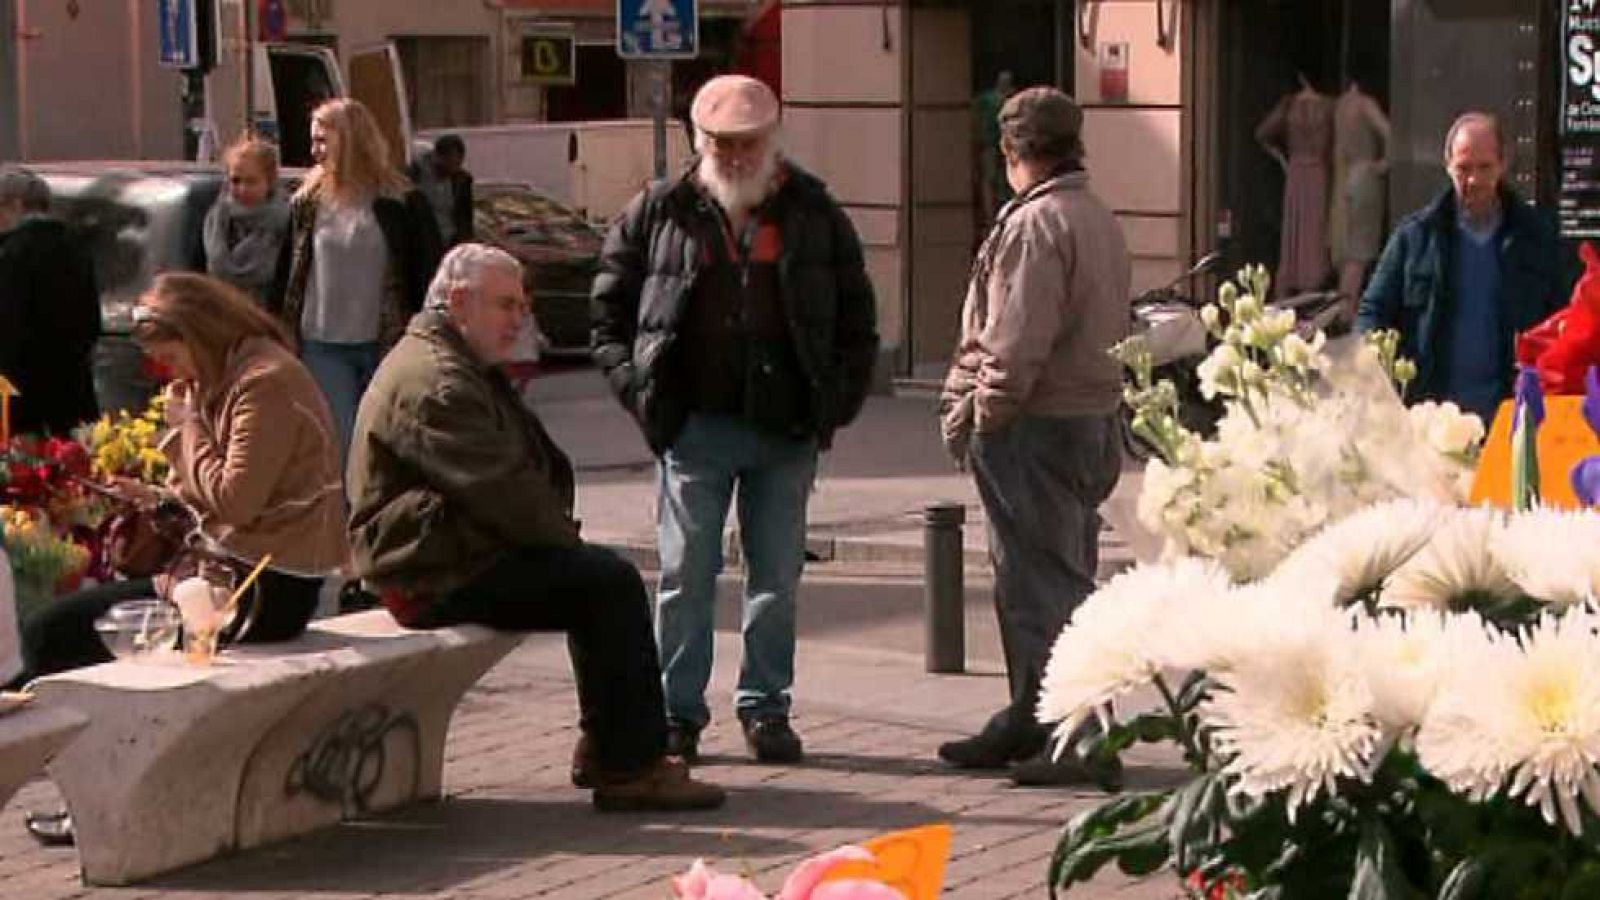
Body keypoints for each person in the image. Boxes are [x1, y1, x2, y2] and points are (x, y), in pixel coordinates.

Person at [347, 243, 725, 812]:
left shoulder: (453, 359)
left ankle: (611, 750)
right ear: (459, 302)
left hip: (444, 551)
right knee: (606, 585)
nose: (519, 319)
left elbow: (519, 477)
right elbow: (507, 494)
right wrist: (567, 545)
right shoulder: (439, 379)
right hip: (427, 572)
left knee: (595, 582)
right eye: (506, 305)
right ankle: (628, 766)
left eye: (522, 306)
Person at [592, 74, 879, 765]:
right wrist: (638, 392)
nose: (737, 155)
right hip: (694, 424)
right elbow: (607, 311)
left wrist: (836, 402)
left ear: (772, 139)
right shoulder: (660, 209)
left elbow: (857, 319)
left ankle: (765, 708)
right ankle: (676, 713)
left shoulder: (812, 209)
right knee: (685, 574)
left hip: (786, 429)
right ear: (700, 142)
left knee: (776, 578)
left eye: (749, 142)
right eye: (723, 143)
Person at [17, 274, 348, 844]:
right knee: (67, 631)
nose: (171, 374)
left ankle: (101, 802)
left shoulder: (264, 383)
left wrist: (184, 429)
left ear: (200, 333)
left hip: (263, 589)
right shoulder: (233, 375)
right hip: (231, 573)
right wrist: (156, 497)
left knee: (62, 634)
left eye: (172, 357)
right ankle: (97, 794)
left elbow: (237, 501)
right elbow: (222, 494)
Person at [937, 87, 1129, 787]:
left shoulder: (1036, 224)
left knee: (1043, 588)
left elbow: (1016, 340)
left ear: (1010, 151)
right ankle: (1031, 713)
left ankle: (1078, 735)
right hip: (1088, 417)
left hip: (1038, 421)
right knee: (1052, 577)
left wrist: (983, 412)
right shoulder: (1095, 215)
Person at [1358, 111, 1573, 425]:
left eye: (1484, 167)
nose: (1473, 180)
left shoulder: (1537, 238)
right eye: (1463, 168)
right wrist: (1379, 384)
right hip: (1433, 420)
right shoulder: (1416, 237)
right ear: (1448, 165)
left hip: (1513, 416)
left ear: (1502, 164)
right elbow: (1372, 314)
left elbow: (1565, 319)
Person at [271, 98, 442, 461]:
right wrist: (278, 332)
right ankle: (348, 501)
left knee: (385, 442)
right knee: (344, 442)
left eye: (322, 141)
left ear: (350, 140)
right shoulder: (306, 203)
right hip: (323, 345)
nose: (314, 151)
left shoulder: (401, 203)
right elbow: (287, 272)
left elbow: (426, 273)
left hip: (386, 342)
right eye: (313, 141)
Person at [0, 166, 100, 437]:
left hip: (22, 393)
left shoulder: (11, 253)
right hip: (74, 384)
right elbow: (91, 320)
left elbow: (8, 328)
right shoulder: (76, 245)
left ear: (15, 205)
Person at [1256, 71, 1335, 298]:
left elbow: (1262, 133)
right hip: (1319, 170)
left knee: (1294, 227)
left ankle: (1287, 284)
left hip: (1296, 171)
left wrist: (1282, 159)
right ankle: (1312, 284)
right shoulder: (1329, 105)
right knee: (1316, 227)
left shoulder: (1289, 104)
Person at [204, 135, 291, 305]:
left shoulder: (287, 223)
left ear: (269, 182)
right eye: (236, 181)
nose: (242, 189)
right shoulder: (216, 220)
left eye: (252, 182)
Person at [407, 134, 475, 249]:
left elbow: (465, 218)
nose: (452, 169)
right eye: (449, 163)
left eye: (457, 164)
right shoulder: (415, 177)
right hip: (423, 244)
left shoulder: (461, 181)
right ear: (437, 157)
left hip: (451, 242)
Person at [974, 70, 1016, 227]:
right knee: (990, 179)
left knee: (1007, 179)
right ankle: (990, 215)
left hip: (1009, 145)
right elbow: (974, 114)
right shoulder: (987, 99)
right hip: (990, 143)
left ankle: (1005, 211)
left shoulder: (1013, 98)